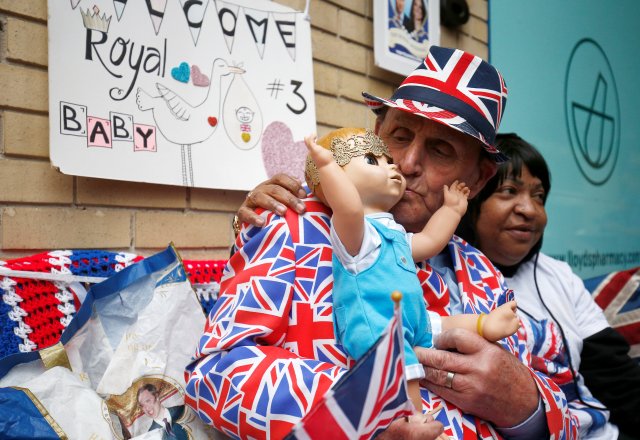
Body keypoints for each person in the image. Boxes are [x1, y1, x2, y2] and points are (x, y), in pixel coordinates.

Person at [185, 45, 577, 439]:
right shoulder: (295, 225)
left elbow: (567, 409)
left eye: (441, 149)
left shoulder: (483, 276)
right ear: (375, 136)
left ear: (477, 178)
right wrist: (363, 416)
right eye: (399, 136)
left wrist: (524, 406)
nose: (407, 164)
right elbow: (216, 372)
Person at [303, 127, 520, 414]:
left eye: (384, 158)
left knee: (445, 325)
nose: (397, 165)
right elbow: (349, 208)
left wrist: (452, 210)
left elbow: (429, 241)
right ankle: (416, 420)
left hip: (412, 318)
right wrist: (328, 166)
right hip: (378, 325)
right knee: (403, 369)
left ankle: (484, 324)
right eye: (372, 160)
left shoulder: (391, 230)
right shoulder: (356, 232)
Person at [456, 133, 640, 439]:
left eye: (539, 196)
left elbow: (614, 376)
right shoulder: (446, 278)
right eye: (509, 191)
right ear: (472, 199)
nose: (528, 209)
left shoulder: (558, 275)